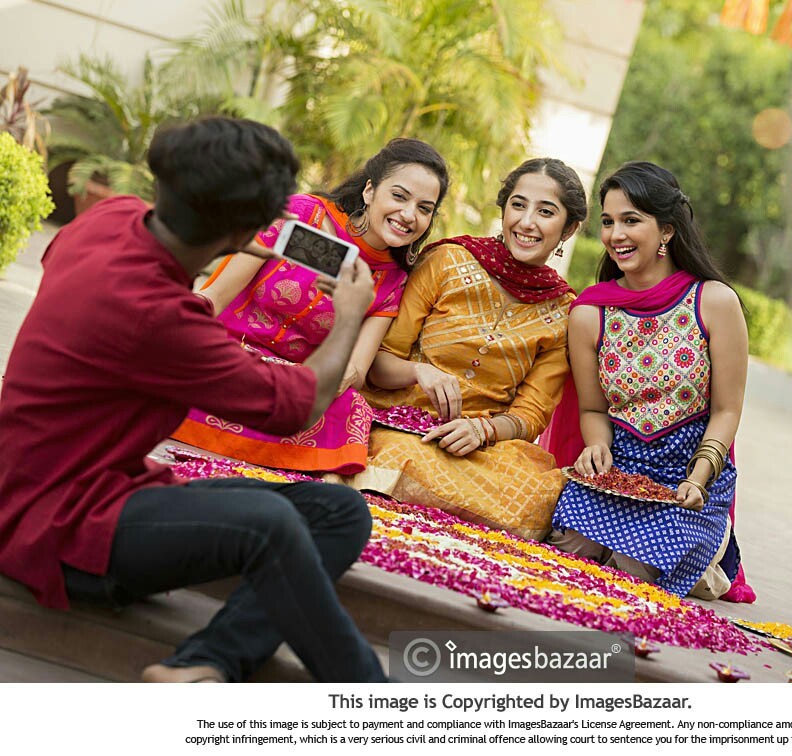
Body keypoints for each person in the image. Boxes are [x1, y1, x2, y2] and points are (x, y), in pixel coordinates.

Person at [0, 117, 388, 682]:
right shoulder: (159, 318)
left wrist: (235, 239)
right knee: (270, 522)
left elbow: (112, 293)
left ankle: (206, 662)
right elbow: (295, 406)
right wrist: (349, 316)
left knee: (340, 511)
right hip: (54, 523)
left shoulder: (108, 218)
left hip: (95, 482)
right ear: (248, 226)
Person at [171, 138, 449, 474]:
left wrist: (313, 385)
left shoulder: (393, 279)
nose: (408, 215)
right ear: (370, 191)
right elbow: (216, 297)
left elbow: (357, 370)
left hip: (293, 384)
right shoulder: (303, 216)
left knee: (350, 408)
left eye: (424, 208)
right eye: (399, 196)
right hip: (228, 353)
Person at [547, 161, 756, 603]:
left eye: (631, 220)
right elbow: (592, 408)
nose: (615, 235)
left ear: (667, 230)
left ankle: (710, 550)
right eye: (608, 222)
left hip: (687, 482)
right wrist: (596, 446)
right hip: (616, 476)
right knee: (565, 548)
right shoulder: (590, 313)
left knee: (640, 566)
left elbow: (727, 410)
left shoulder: (714, 302)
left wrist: (698, 479)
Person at [359, 158, 587, 541]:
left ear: (569, 228)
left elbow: (531, 414)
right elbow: (377, 361)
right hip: (397, 422)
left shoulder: (564, 312)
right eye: (518, 205)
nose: (526, 222)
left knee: (540, 496)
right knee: (399, 457)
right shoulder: (447, 261)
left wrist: (482, 430)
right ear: (504, 209)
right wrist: (418, 372)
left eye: (545, 212)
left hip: (479, 447)